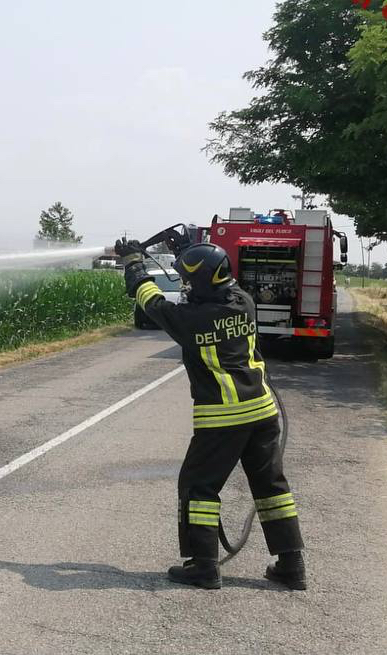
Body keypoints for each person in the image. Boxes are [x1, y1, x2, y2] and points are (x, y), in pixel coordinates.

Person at [116, 238, 307, 591]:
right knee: (271, 487)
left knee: (198, 487)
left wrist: (133, 264)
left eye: (188, 282)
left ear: (200, 284)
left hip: (223, 417)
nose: (185, 288)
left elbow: (151, 302)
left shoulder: (193, 319)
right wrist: (188, 251)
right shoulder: (243, 302)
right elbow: (205, 284)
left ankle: (203, 566)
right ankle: (291, 564)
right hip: (263, 413)